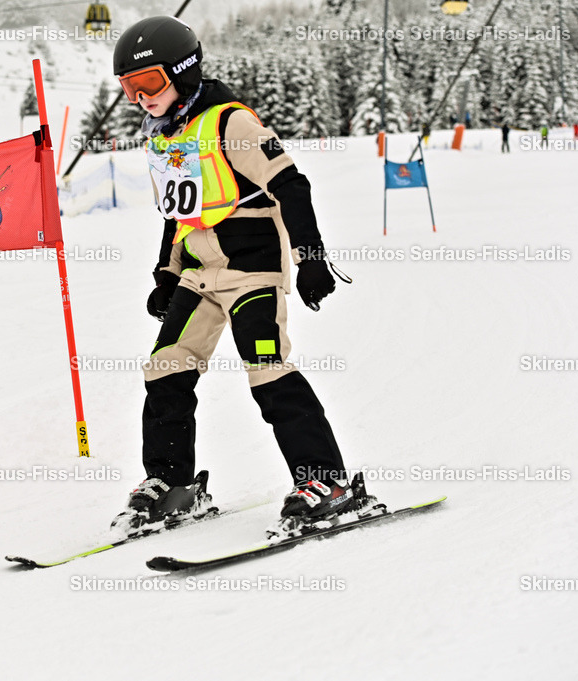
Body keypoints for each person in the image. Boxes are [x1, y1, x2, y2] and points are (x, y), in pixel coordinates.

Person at [108, 16, 377, 540]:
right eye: (128, 88)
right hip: (197, 274)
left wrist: (310, 257)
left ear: (183, 74)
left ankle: (327, 483)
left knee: (267, 369)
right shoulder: (166, 137)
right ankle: (170, 483)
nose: (140, 98)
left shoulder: (230, 123)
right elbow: (178, 213)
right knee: (165, 370)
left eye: (150, 84)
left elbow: (291, 186)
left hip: (250, 267)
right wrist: (166, 275)